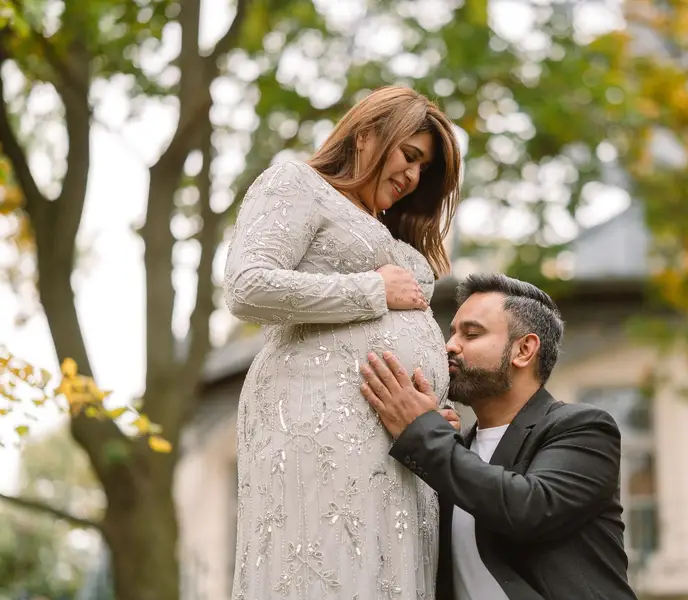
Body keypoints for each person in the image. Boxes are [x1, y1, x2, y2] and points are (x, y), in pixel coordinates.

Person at [223, 86, 463, 600]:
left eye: (423, 169)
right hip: (317, 428)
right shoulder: (297, 183)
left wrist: (431, 415)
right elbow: (246, 287)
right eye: (409, 155)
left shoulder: (391, 232)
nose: (413, 176)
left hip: (401, 453)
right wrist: (372, 289)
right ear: (367, 134)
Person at [359, 274, 639, 600]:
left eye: (472, 334)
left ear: (524, 350)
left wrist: (422, 431)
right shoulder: (452, 448)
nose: (450, 346)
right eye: (452, 333)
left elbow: (528, 508)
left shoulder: (584, 428)